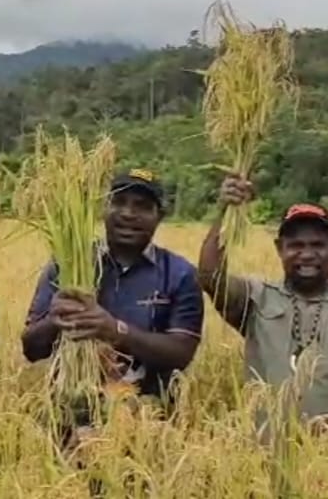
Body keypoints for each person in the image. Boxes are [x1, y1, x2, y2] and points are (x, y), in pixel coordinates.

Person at [21, 169, 204, 440]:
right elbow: (31, 348)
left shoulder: (179, 274)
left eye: (142, 206)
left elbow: (181, 353)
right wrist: (55, 321)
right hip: (68, 422)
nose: (128, 213)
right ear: (104, 208)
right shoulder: (68, 264)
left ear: (160, 216)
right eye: (118, 202)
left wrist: (114, 330)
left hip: (148, 427)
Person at [198, 174, 328, 429]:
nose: (307, 254)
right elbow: (210, 277)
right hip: (266, 449)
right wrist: (227, 211)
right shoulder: (257, 299)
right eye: (296, 245)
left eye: (317, 245)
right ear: (279, 248)